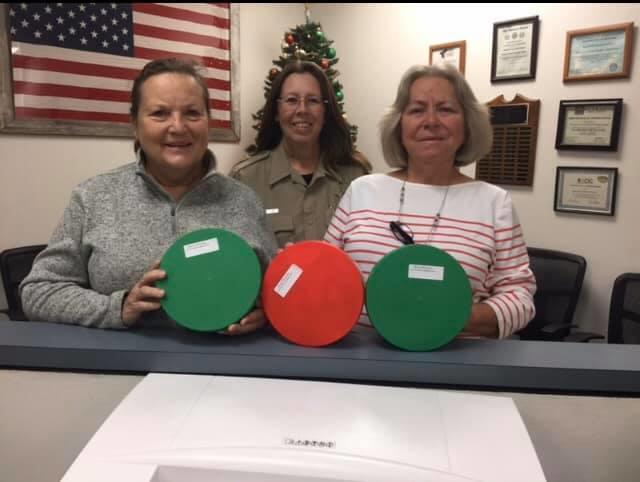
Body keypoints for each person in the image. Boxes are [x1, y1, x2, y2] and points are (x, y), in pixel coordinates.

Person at [20, 58, 277, 335]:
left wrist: (264, 312)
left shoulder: (244, 200)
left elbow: (276, 291)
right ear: (135, 124)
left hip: (226, 363)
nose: (178, 127)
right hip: (120, 367)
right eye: (159, 113)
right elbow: (38, 292)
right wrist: (117, 308)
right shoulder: (94, 197)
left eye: (192, 113)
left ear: (207, 122)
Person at [325, 64, 536, 339]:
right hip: (361, 360)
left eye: (446, 109)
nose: (431, 121)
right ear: (399, 125)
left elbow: (519, 296)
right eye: (416, 110)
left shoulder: (494, 203)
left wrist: (453, 316)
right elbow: (327, 272)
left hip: (454, 365)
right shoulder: (362, 191)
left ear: (467, 124)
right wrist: (300, 265)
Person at [230, 60, 371, 247]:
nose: (302, 110)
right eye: (291, 100)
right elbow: (234, 258)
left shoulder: (355, 176)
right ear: (276, 112)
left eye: (313, 101)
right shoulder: (245, 180)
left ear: (325, 111)